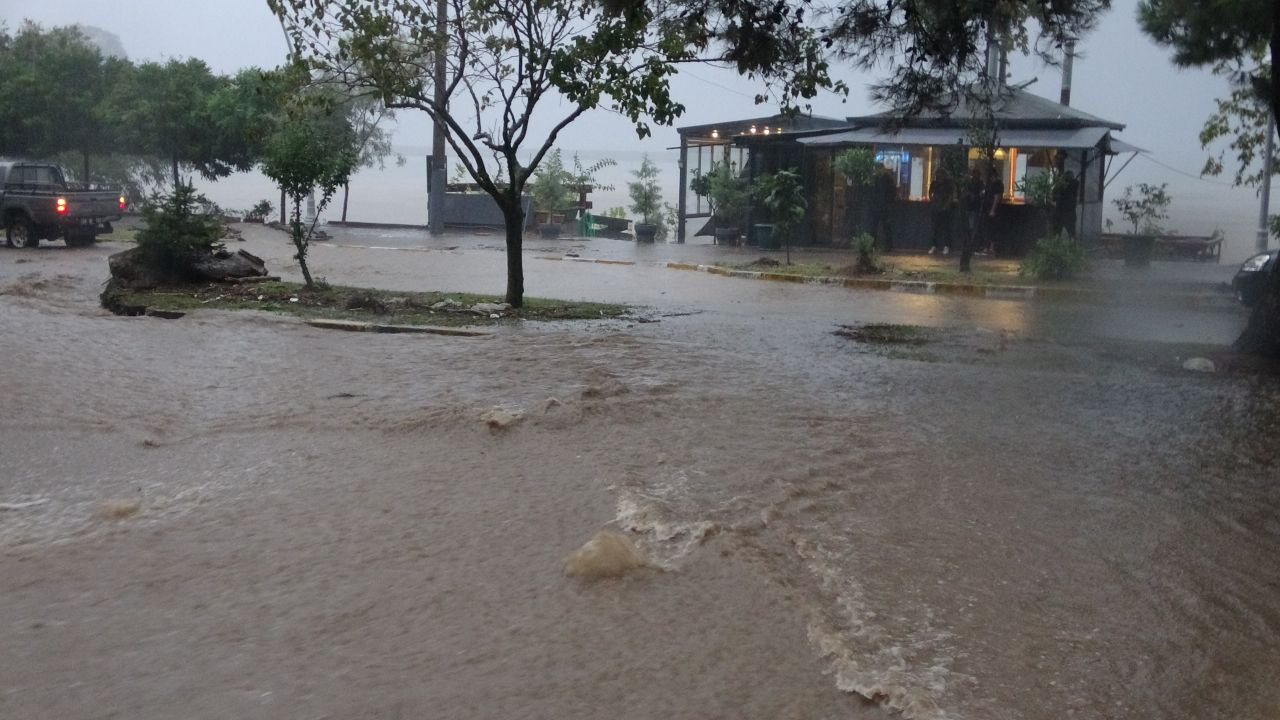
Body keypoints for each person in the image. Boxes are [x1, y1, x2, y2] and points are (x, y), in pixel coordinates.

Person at [867, 165, 897, 252]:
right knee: (884, 226)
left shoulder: (876, 179)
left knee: (876, 226)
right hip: (883, 206)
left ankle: (875, 245)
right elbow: (893, 191)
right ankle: (887, 246)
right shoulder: (887, 179)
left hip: (880, 206)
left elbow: (872, 192)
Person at [928, 169, 956, 255]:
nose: (937, 176)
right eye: (937, 174)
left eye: (939, 174)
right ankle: (934, 245)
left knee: (945, 228)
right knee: (935, 228)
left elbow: (951, 195)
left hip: (944, 209)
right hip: (936, 208)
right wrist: (932, 200)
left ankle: (946, 246)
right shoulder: (934, 183)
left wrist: (946, 205)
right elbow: (930, 192)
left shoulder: (947, 184)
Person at [978, 165, 1003, 255]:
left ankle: (990, 247)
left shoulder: (997, 184)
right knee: (986, 227)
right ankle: (986, 246)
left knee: (991, 228)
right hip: (987, 208)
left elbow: (997, 197)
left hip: (992, 210)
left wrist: (993, 209)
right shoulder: (989, 184)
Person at [1052, 170, 1080, 238]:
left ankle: (1069, 246)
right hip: (1064, 213)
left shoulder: (1070, 184)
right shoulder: (1064, 185)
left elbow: (1053, 196)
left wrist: (1061, 182)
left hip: (1065, 213)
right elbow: (1053, 196)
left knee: (1068, 235)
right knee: (1066, 235)